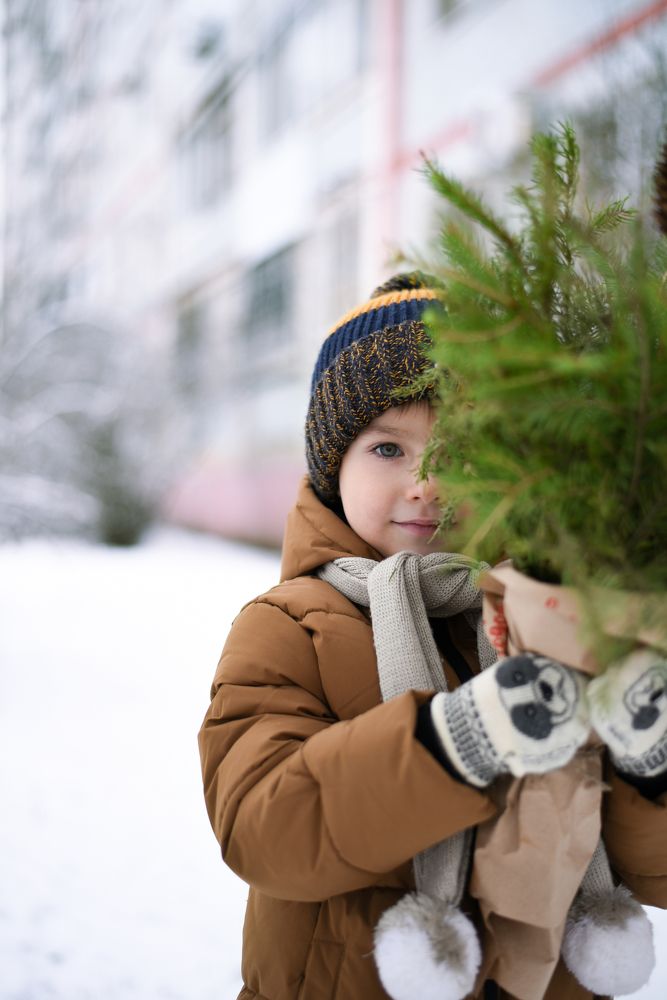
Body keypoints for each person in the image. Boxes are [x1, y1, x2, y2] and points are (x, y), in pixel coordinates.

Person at [198, 273, 667, 1000]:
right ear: (333, 465)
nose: (426, 483)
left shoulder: (550, 614)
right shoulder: (289, 626)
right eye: (388, 450)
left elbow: (651, 868)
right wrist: (456, 740)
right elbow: (265, 831)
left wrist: (647, 765)